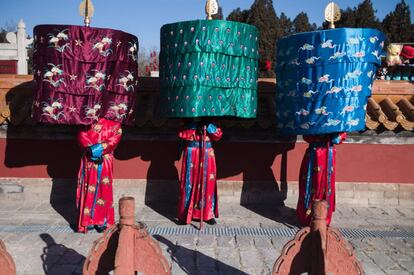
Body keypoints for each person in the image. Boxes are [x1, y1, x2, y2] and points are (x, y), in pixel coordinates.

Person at [76, 118, 122, 233]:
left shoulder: (115, 124)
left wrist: (98, 150)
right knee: (87, 188)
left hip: (105, 160)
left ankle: (101, 220)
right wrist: (92, 151)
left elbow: (115, 139)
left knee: (103, 189)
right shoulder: (86, 121)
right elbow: (81, 135)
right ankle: (88, 220)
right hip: (89, 159)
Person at [177, 119, 222, 225]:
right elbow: (182, 134)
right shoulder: (186, 116)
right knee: (189, 183)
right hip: (192, 152)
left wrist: (209, 126)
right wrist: (193, 125)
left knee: (207, 184)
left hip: (207, 152)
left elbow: (218, 135)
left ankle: (207, 214)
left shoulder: (213, 116)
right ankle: (186, 214)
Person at [296, 132, 347, 226]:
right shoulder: (312, 117)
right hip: (313, 154)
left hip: (328, 154)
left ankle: (324, 216)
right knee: (311, 183)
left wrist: (331, 135)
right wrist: (318, 134)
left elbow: (339, 138)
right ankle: (307, 216)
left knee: (326, 185)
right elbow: (306, 135)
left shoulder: (338, 119)